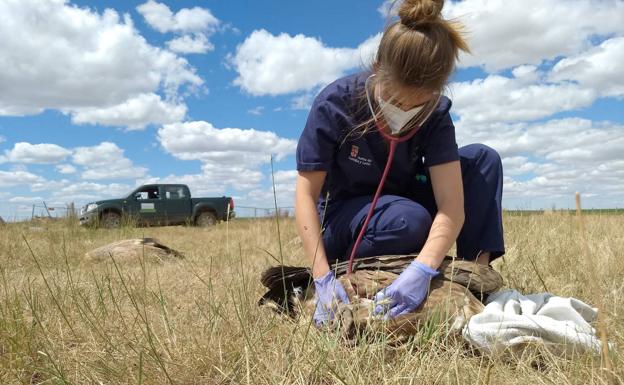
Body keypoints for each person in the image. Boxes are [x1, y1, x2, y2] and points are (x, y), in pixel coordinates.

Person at [294, 0, 505, 325]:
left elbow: (452, 203)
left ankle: (474, 278)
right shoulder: (334, 105)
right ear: (378, 68)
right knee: (408, 219)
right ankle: (360, 266)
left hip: (402, 201)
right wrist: (320, 276)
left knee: (482, 160)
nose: (404, 113)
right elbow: (306, 195)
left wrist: (422, 270)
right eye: (393, 100)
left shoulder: (435, 115)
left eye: (419, 105)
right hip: (344, 217)